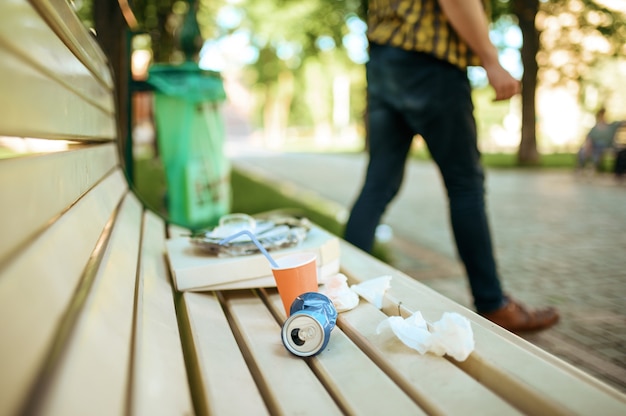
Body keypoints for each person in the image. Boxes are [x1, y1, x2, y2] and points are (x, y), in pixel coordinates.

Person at [344, 0, 559, 332]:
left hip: (384, 63)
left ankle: (340, 292)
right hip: (433, 65)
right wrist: (491, 60)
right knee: (465, 186)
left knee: (378, 184)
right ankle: (492, 303)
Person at [577, 108, 623, 173]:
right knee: (583, 150)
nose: (602, 118)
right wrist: (588, 145)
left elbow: (621, 123)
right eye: (601, 116)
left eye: (603, 116)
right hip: (594, 146)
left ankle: (592, 166)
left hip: (605, 146)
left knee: (598, 148)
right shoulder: (595, 128)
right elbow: (589, 137)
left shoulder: (611, 127)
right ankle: (583, 166)